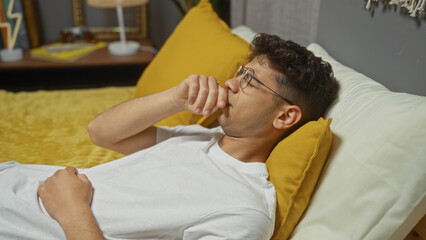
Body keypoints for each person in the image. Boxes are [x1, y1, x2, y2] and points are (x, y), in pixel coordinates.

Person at [0, 33, 338, 240]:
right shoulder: (199, 136)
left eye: (251, 80)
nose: (231, 83)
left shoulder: (244, 211)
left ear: (286, 116)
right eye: (240, 72)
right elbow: (100, 132)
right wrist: (175, 98)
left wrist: (71, 209)